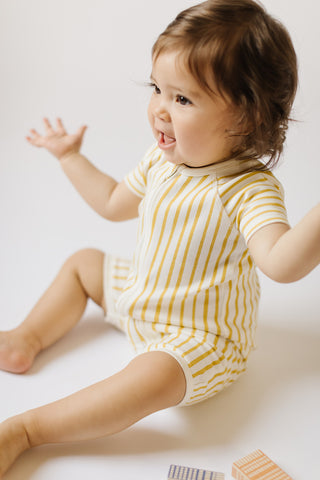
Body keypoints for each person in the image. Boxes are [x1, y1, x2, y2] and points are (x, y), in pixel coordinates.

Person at [0, 0, 319, 476]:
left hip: (199, 336)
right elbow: (111, 203)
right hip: (144, 294)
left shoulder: (248, 188)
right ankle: (27, 335)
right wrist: (70, 158)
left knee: (150, 377)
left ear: (244, 119)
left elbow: (280, 262)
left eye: (182, 99)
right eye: (157, 89)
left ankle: (26, 430)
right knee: (83, 261)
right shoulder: (162, 160)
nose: (159, 112)